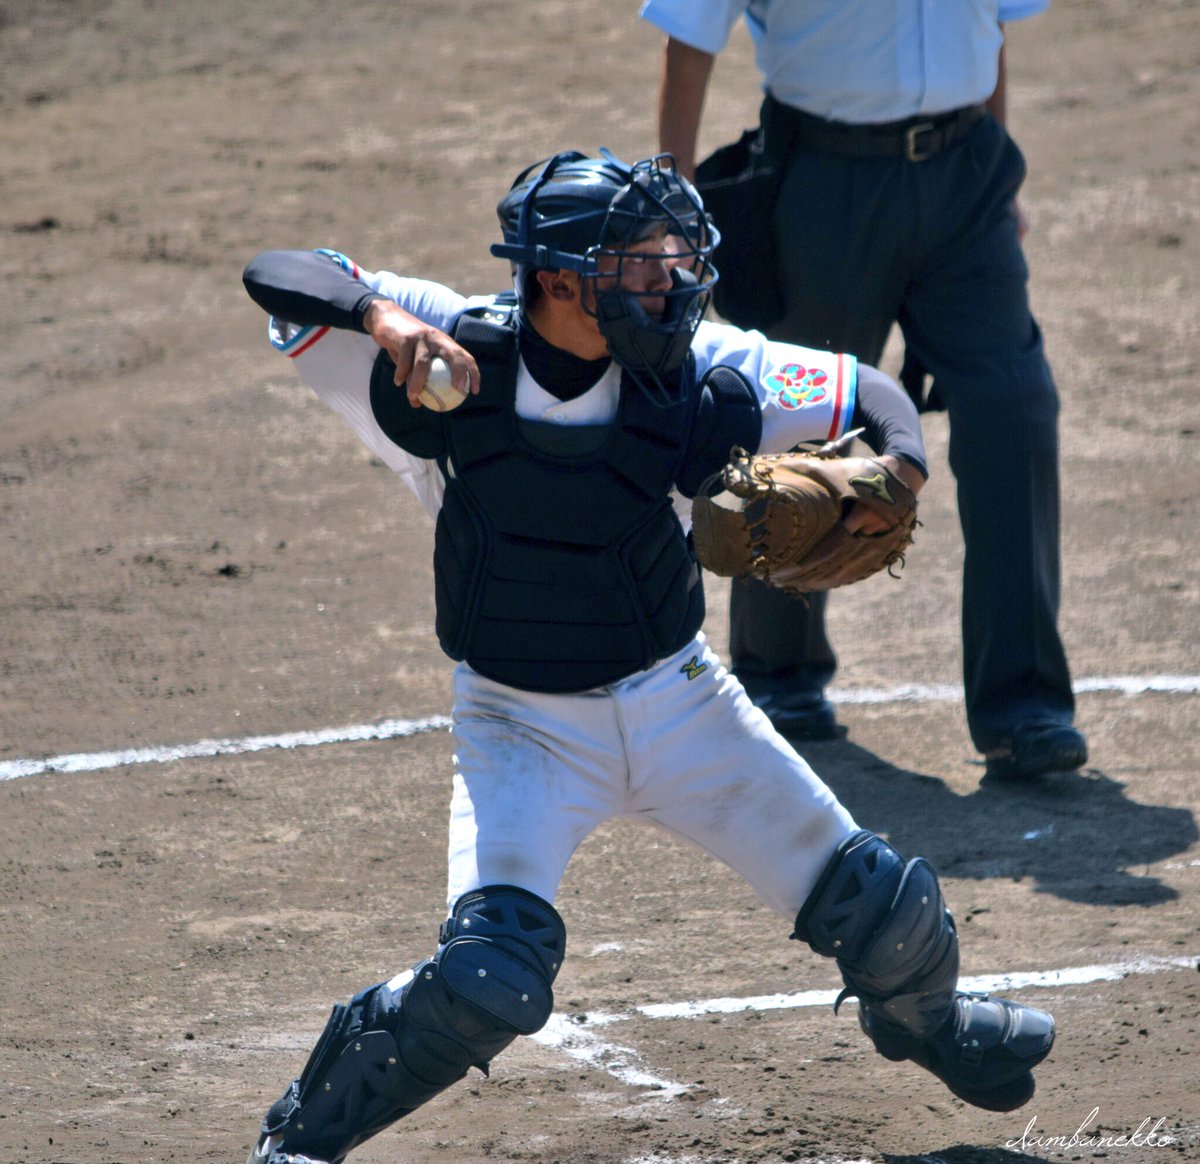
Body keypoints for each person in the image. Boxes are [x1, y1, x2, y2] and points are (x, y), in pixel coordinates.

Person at [239, 150, 1054, 1164]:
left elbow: (877, 396)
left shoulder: (708, 369)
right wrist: (381, 317)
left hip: (684, 708)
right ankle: (304, 1139)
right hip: (520, 728)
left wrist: (899, 473)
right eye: (640, 263)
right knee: (492, 975)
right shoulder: (444, 353)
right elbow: (278, 271)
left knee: (887, 916)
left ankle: (932, 1022)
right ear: (561, 279)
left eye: (673, 256)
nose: (671, 281)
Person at [641, 0, 1089, 781]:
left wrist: (996, 151)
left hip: (969, 176)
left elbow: (989, 30)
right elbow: (691, 37)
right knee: (799, 418)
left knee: (1015, 412)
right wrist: (673, 215)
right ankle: (778, 678)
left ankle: (1024, 707)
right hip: (824, 181)